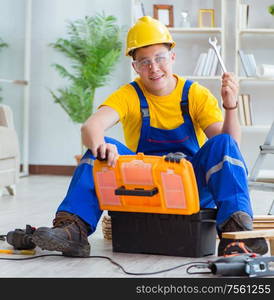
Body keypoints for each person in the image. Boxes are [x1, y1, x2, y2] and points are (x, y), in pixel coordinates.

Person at [32, 16, 268, 257]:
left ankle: (235, 235)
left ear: (172, 57)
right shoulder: (129, 94)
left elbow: (230, 146)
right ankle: (73, 231)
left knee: (223, 143)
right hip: (142, 189)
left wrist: (231, 107)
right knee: (98, 150)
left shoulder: (196, 94)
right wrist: (102, 146)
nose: (154, 68)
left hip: (191, 189)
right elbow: (90, 127)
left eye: (159, 58)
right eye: (144, 62)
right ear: (135, 67)